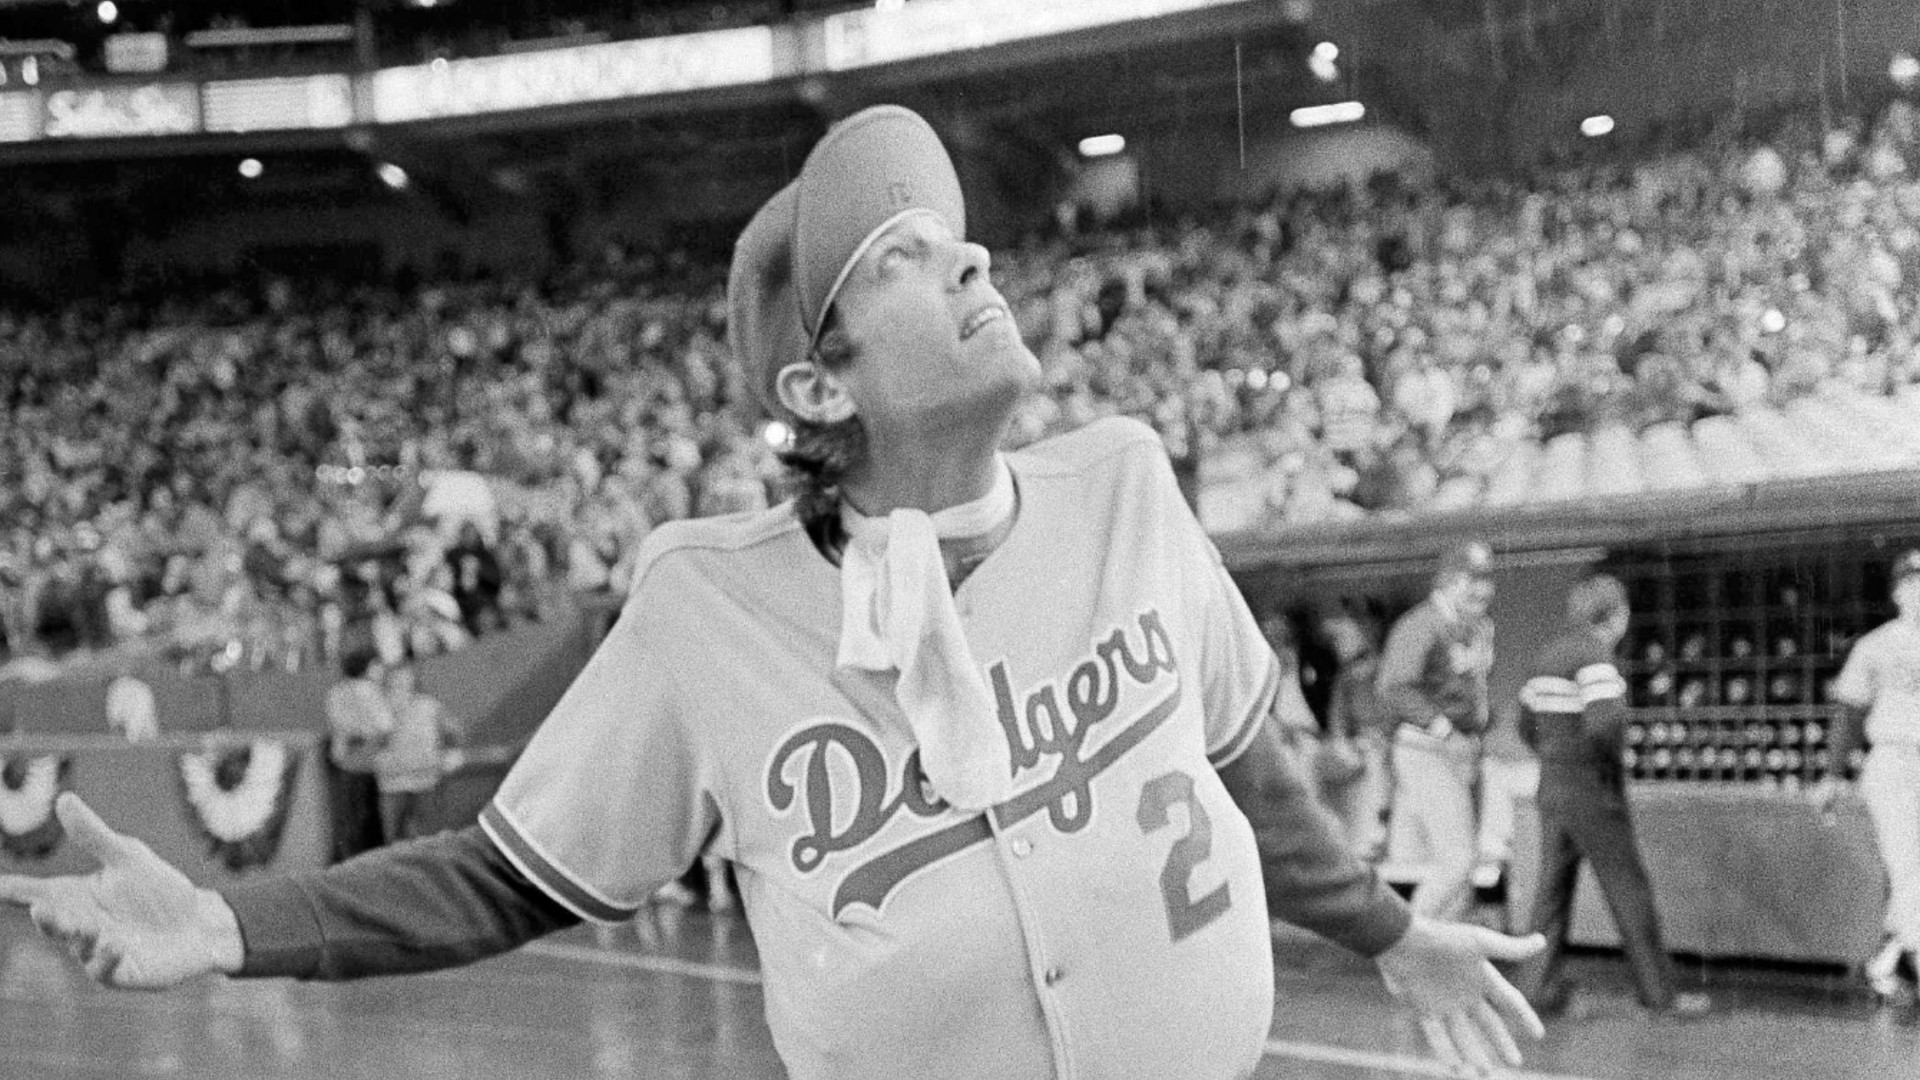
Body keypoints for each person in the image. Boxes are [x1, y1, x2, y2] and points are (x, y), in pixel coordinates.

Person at [0, 105, 1543, 1080]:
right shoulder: (704, 607)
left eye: (960, 237)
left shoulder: (1129, 481)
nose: (975, 257)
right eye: (904, 254)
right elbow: (503, 874)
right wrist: (228, 919)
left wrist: (1390, 933)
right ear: (821, 382)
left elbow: (1236, 760)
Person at [1512, 575, 1710, 1019]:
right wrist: (1602, 763)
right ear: (1616, 615)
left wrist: (1554, 754)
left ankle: (1534, 988)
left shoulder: (1547, 657)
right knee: (1628, 889)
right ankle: (1659, 994)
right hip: (1592, 789)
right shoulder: (1597, 658)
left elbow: (1525, 724)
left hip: (1551, 787)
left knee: (1550, 892)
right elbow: (1605, 724)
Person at [1377, 541, 1497, 922]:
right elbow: (1394, 687)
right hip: (1426, 748)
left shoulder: (1472, 627)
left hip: (1461, 749)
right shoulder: (1422, 623)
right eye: (1470, 578)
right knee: (1458, 860)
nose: (1481, 588)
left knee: (1464, 865)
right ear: (1447, 580)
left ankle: (1445, 957)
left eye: (1485, 578)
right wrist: (1448, 732)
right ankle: (1411, 946)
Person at [1822, 549, 1920, 1002]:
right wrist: (1832, 775)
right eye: (1913, 581)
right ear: (1899, 591)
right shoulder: (1877, 644)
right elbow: (1849, 713)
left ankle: (1887, 957)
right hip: (1894, 760)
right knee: (1907, 866)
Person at [373, 660, 466, 845]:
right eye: (395, 681)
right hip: (392, 783)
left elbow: (454, 731)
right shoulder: (379, 708)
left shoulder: (430, 706)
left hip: (426, 781)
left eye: (405, 680)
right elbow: (370, 742)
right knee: (393, 841)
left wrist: (453, 753)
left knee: (429, 839)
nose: (401, 685)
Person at [322, 642, 391, 863]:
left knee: (347, 817)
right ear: (367, 667)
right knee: (367, 817)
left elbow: (337, 723)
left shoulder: (337, 691)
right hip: (366, 763)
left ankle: (348, 860)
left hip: (343, 763)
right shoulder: (369, 691)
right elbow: (385, 725)